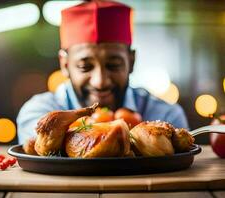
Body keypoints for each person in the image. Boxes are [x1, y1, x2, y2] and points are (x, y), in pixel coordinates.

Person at [17, 0, 188, 145]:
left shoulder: (165, 115)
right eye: (85, 67)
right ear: (65, 64)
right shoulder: (38, 112)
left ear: (131, 61)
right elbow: (41, 146)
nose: (100, 81)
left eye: (113, 65)